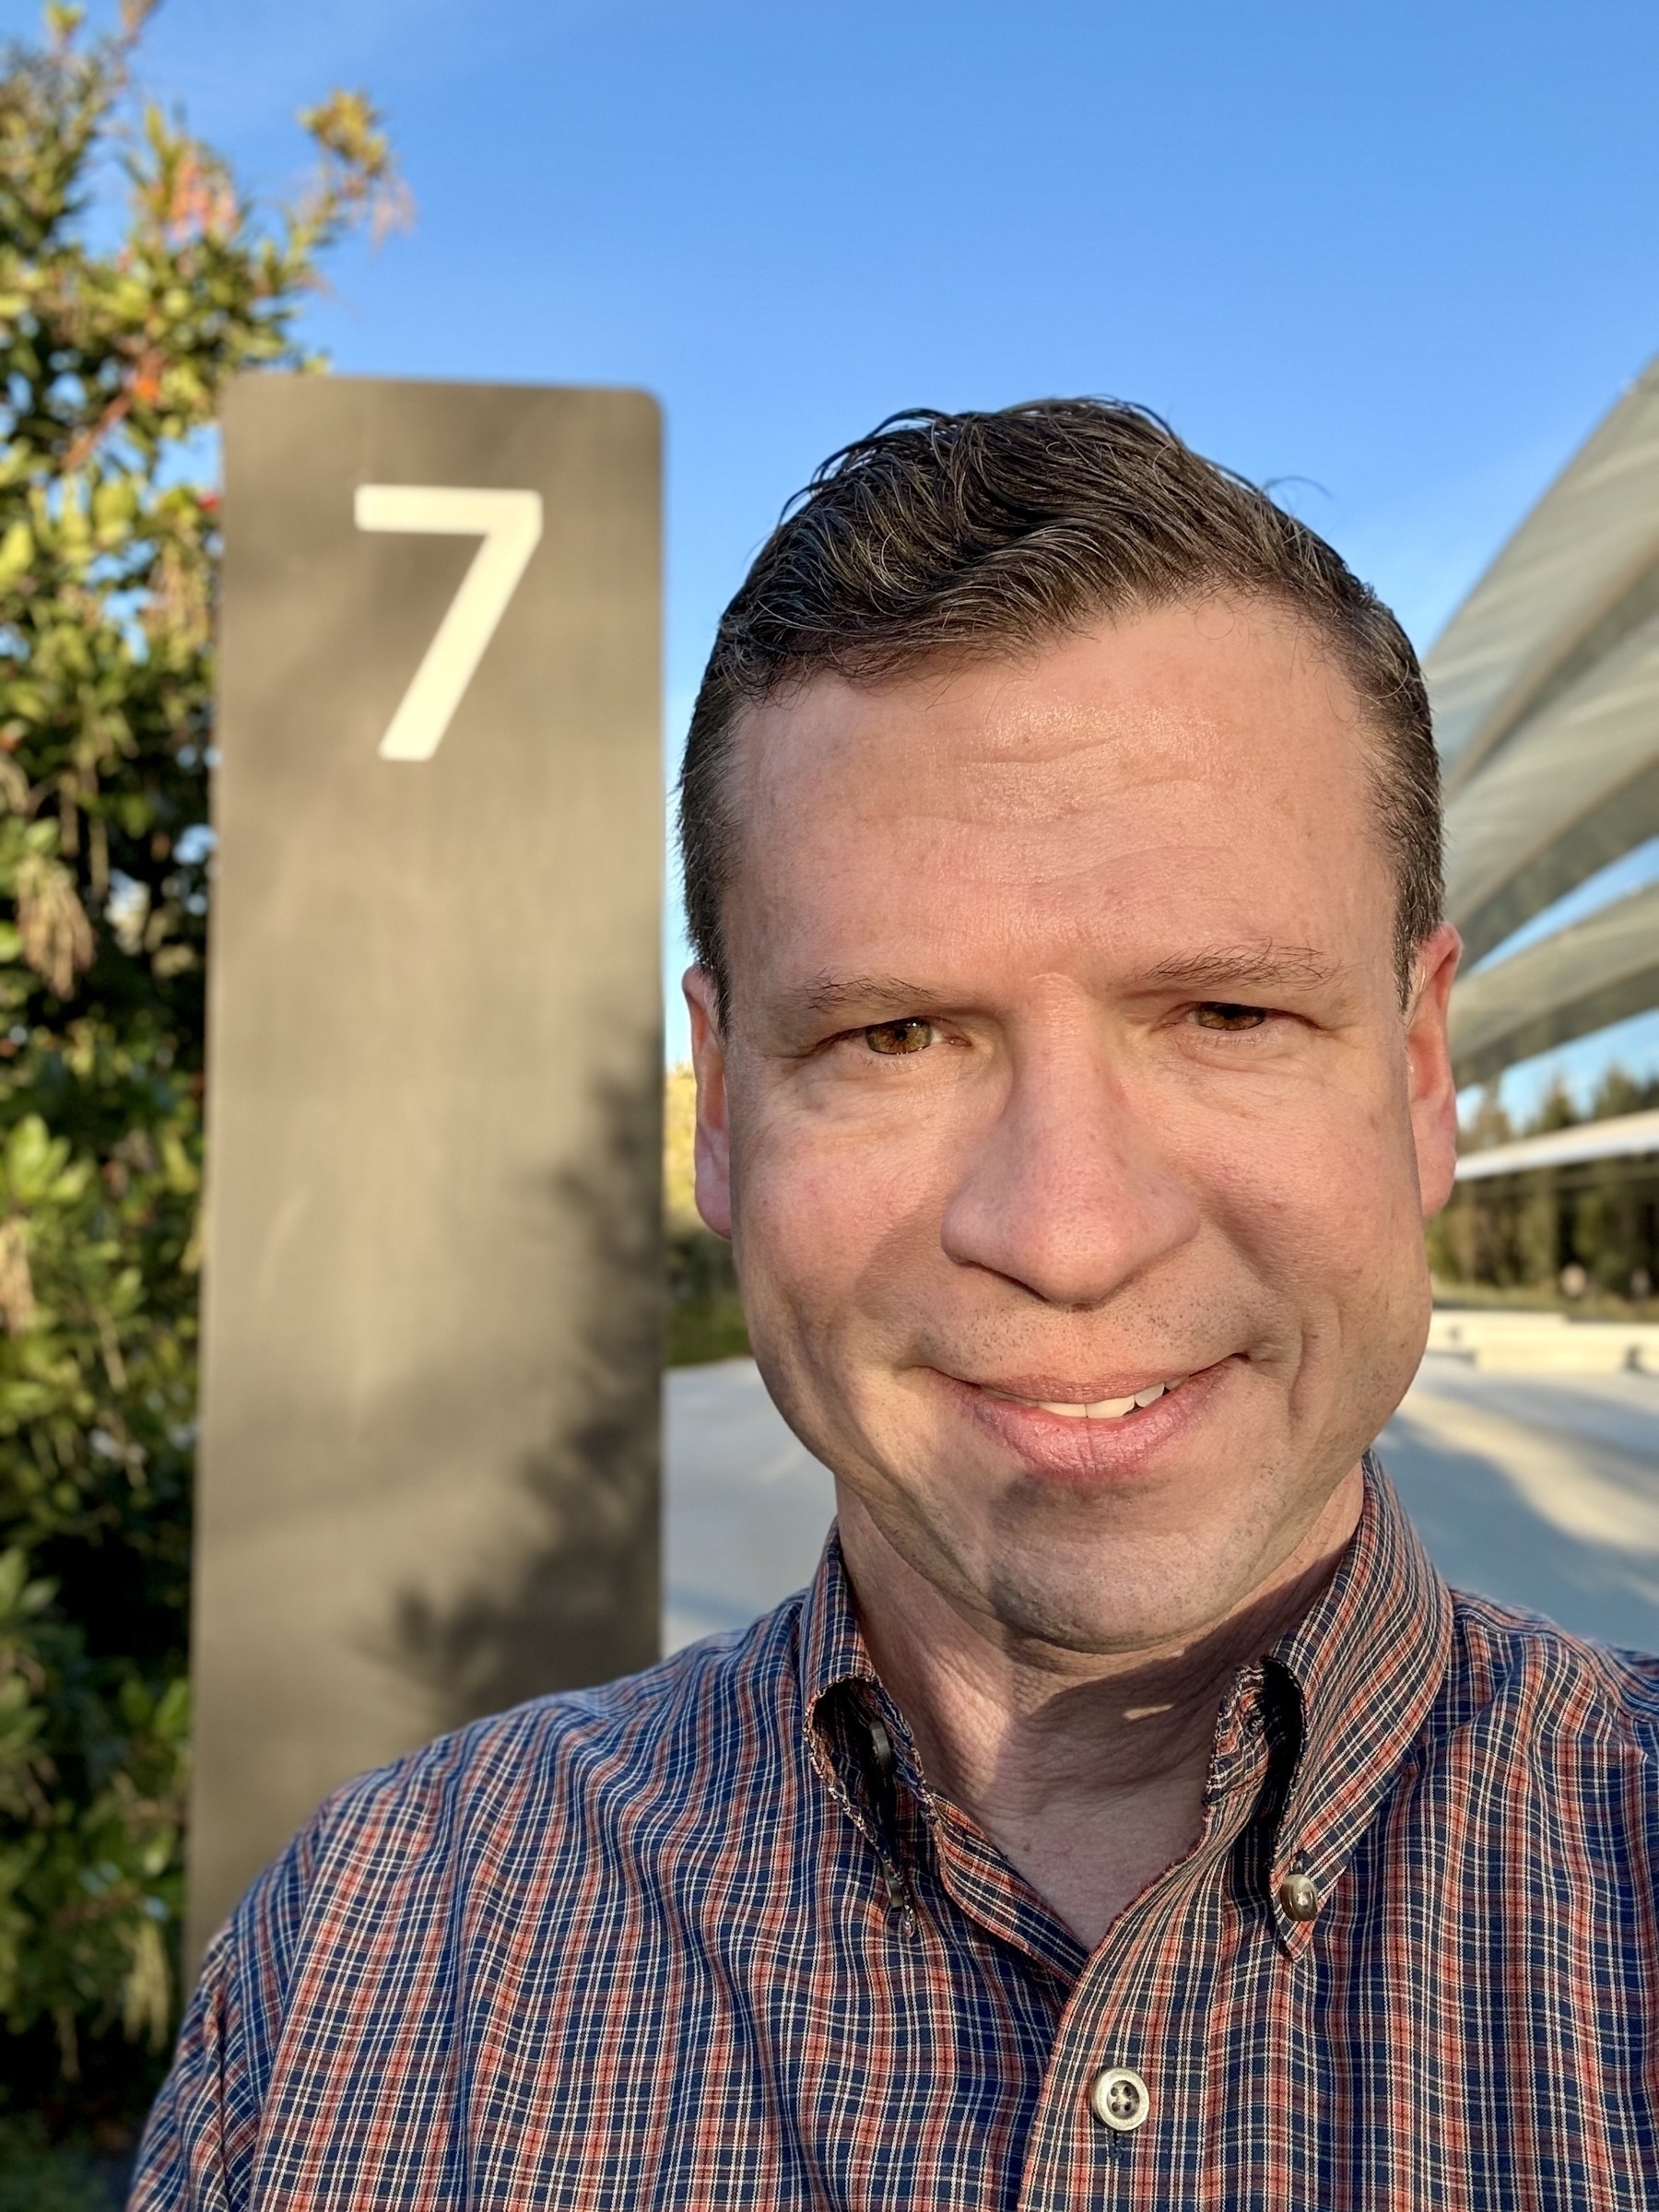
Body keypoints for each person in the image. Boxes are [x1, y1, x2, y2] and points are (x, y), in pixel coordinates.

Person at [133, 402, 1659, 2209]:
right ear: (723, 1104)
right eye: (897, 1035)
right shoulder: (379, 1966)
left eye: (1228, 1016)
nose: (1071, 1232)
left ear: (1419, 1074)